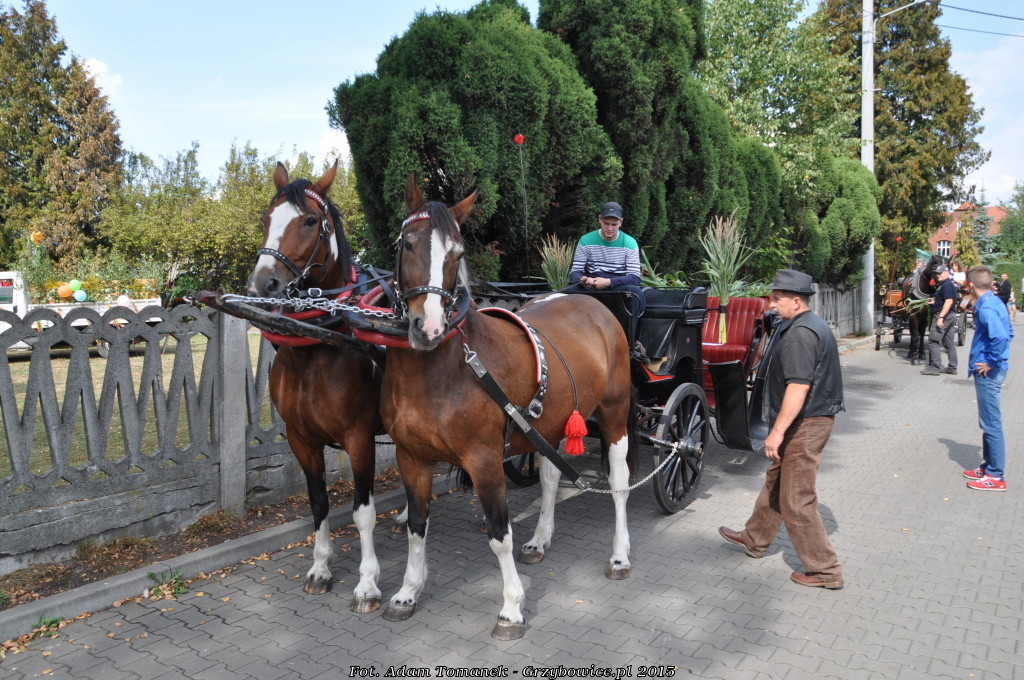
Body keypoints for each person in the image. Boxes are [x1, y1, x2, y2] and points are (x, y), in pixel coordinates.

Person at [718, 269, 845, 589]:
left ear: (797, 301)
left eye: (777, 299)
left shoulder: (802, 333)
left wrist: (776, 433)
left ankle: (825, 571)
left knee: (796, 499)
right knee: (776, 482)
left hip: (806, 423)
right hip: (806, 420)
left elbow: (799, 387)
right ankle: (754, 538)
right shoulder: (804, 324)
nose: (772, 304)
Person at [962, 266, 1013, 491]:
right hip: (991, 368)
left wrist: (991, 361)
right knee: (988, 421)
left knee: (991, 423)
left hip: (988, 371)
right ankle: (987, 466)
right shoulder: (995, 302)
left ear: (971, 285)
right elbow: (1009, 332)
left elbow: (1001, 337)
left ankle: (996, 476)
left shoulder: (986, 308)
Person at [563, 201, 645, 321]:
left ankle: (629, 333)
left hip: (618, 288)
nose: (609, 228)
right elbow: (575, 272)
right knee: (562, 295)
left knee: (635, 293)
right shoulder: (585, 240)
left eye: (614, 224)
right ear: (600, 219)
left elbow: (634, 278)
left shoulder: (630, 243)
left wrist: (608, 282)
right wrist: (582, 280)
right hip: (591, 287)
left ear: (621, 222)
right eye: (606, 223)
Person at [921, 264, 958, 375]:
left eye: (940, 273)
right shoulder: (946, 285)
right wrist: (935, 302)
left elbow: (949, 302)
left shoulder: (946, 285)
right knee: (949, 343)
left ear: (947, 273)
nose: (938, 275)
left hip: (944, 317)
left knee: (933, 341)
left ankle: (935, 367)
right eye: (937, 273)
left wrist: (941, 317)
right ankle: (952, 367)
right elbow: (945, 300)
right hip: (949, 316)